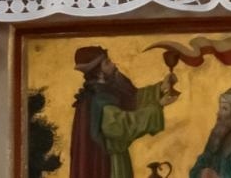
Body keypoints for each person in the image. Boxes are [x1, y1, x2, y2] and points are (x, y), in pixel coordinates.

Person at [70, 45, 180, 178]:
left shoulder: (107, 89)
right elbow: (123, 126)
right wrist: (158, 105)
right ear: (99, 72)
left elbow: (132, 100)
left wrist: (161, 88)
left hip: (113, 159)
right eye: (107, 63)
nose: (113, 64)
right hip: (109, 165)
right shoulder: (98, 99)